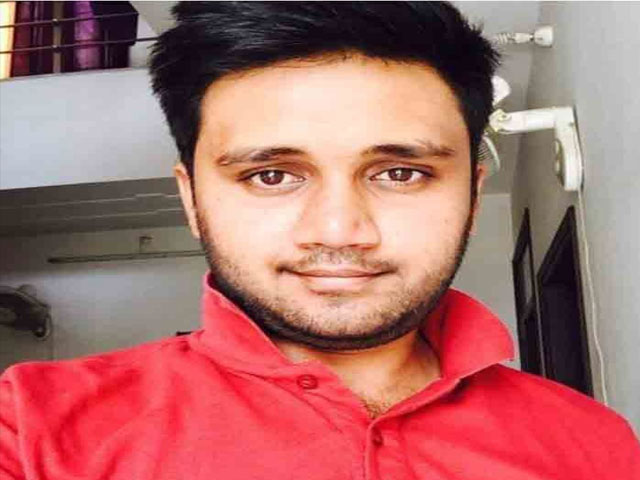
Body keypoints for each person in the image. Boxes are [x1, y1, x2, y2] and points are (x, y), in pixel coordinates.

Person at [1, 2, 639, 479]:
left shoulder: (597, 443)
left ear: (473, 196)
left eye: (400, 173)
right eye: (272, 175)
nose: (338, 231)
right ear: (192, 200)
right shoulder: (32, 428)